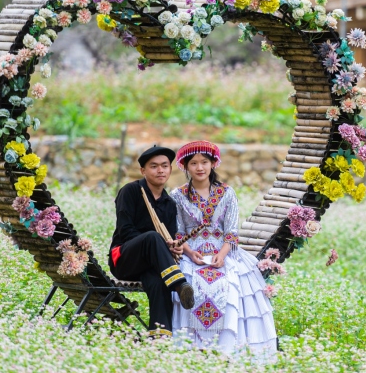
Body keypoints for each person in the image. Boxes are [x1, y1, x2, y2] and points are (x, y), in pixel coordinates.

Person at [168, 141, 277, 358]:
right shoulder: (177, 195)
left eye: (204, 162)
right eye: (194, 163)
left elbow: (231, 231)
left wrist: (222, 254)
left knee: (232, 283)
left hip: (223, 251)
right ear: (186, 167)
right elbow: (178, 232)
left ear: (213, 164)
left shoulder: (227, 193)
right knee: (189, 282)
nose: (200, 168)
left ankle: (229, 348)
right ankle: (192, 348)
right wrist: (190, 253)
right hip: (192, 252)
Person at [108, 145, 195, 339]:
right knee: (152, 237)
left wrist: (173, 246)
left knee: (159, 282)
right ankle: (180, 285)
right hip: (125, 259)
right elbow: (126, 231)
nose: (160, 170)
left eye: (164, 166)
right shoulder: (130, 191)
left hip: (153, 265)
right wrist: (153, 244)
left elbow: (170, 237)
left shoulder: (169, 204)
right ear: (143, 170)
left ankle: (160, 338)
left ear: (170, 170)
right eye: (154, 166)